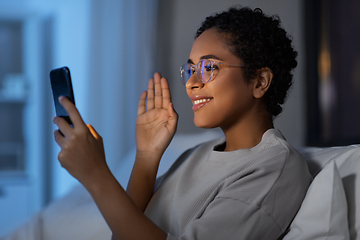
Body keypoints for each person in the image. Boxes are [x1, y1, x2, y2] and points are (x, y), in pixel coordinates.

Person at [52, 6, 312, 240]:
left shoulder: (274, 167)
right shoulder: (194, 156)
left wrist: (96, 175)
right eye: (190, 69)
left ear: (259, 81)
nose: (191, 83)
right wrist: (147, 156)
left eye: (209, 67)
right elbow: (124, 234)